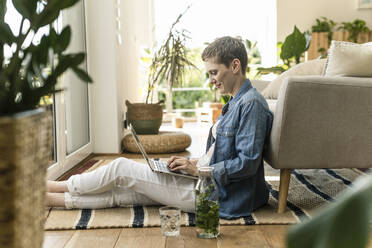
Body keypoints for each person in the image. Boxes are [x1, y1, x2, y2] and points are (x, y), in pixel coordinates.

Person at [47, 36, 273, 219]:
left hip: (217, 194)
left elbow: (247, 164)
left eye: (214, 72)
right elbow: (221, 154)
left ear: (235, 65)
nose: (211, 80)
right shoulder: (234, 103)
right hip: (205, 182)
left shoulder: (251, 104)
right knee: (127, 192)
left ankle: (56, 187)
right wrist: (191, 163)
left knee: (120, 169)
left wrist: (198, 171)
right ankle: (52, 199)